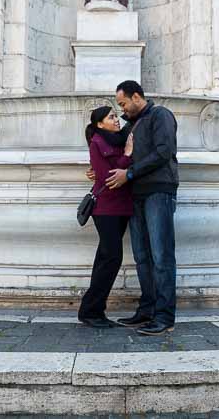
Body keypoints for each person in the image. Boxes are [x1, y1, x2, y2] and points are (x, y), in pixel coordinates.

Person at [105, 80, 179, 335]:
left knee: (161, 256)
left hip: (159, 191)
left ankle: (165, 317)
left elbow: (163, 152)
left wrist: (130, 173)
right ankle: (147, 310)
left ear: (137, 96)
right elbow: (114, 148)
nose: (122, 109)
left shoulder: (161, 115)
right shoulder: (131, 125)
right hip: (135, 195)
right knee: (142, 257)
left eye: (124, 103)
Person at [79, 105, 135, 328]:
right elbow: (106, 177)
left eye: (115, 116)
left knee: (105, 257)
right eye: (111, 117)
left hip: (121, 207)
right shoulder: (98, 142)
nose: (116, 119)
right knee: (112, 258)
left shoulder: (118, 140)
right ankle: (91, 310)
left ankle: (92, 310)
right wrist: (127, 156)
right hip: (106, 208)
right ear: (99, 124)